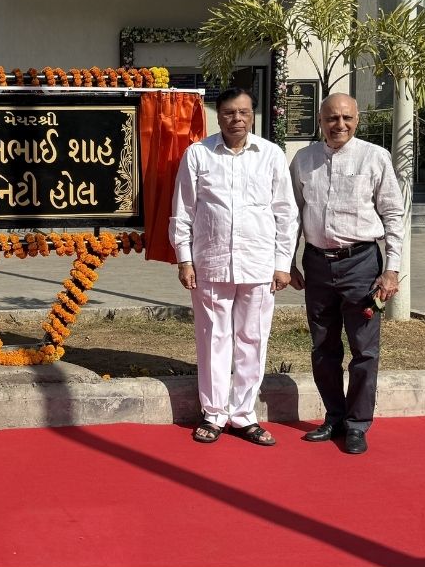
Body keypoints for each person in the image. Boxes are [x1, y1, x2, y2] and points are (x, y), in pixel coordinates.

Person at [170, 87, 298, 446]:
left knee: (252, 339)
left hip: (259, 265)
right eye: (229, 113)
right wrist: (184, 259)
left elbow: (285, 213)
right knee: (213, 339)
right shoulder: (198, 154)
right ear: (219, 116)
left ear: (252, 115)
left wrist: (283, 264)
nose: (236, 119)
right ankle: (213, 414)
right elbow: (183, 211)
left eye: (243, 112)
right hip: (211, 264)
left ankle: (243, 415)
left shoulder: (270, 155)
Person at [289, 93, 404, 455]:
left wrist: (392, 269)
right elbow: (292, 214)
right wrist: (287, 261)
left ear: (357, 120)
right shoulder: (303, 159)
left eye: (346, 118)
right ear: (320, 121)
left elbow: (393, 215)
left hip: (361, 265)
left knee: (363, 349)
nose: (339, 125)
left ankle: (357, 424)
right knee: (323, 346)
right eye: (331, 118)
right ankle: (334, 417)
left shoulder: (375, 157)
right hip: (317, 265)